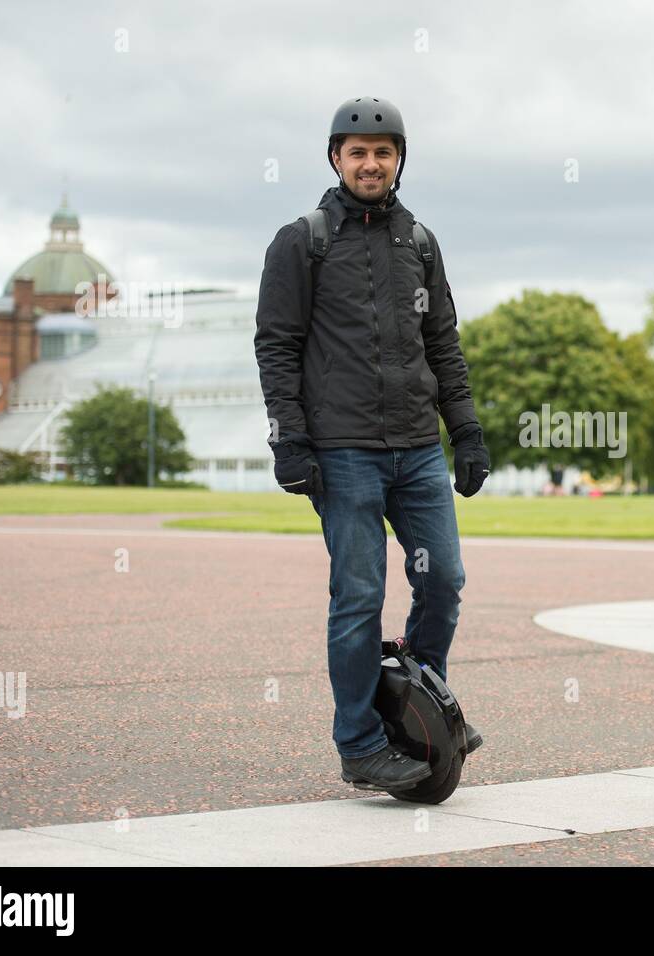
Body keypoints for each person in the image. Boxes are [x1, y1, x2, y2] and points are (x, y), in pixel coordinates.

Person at [253, 97, 489, 793]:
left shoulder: (418, 240)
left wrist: (466, 432)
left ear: (398, 161)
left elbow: (442, 342)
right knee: (359, 596)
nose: (371, 162)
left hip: (417, 449)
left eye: (383, 151)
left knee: (442, 582)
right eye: (357, 152)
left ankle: (421, 707)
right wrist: (289, 439)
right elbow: (277, 345)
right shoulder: (303, 240)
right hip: (343, 451)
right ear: (335, 159)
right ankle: (359, 744)